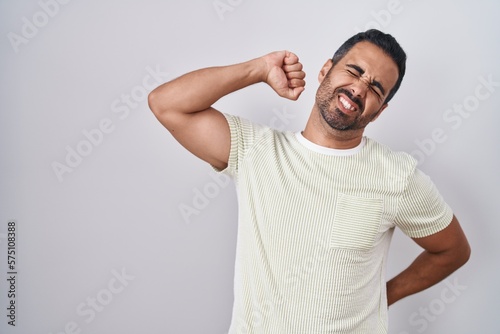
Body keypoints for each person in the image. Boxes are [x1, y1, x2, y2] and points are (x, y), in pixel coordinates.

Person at [148, 29, 471, 333]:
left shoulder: (398, 177)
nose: (359, 89)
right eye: (354, 71)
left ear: (380, 111)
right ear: (326, 70)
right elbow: (167, 104)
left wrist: (382, 298)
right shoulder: (255, 150)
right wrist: (258, 69)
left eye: (375, 88)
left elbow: (452, 251)